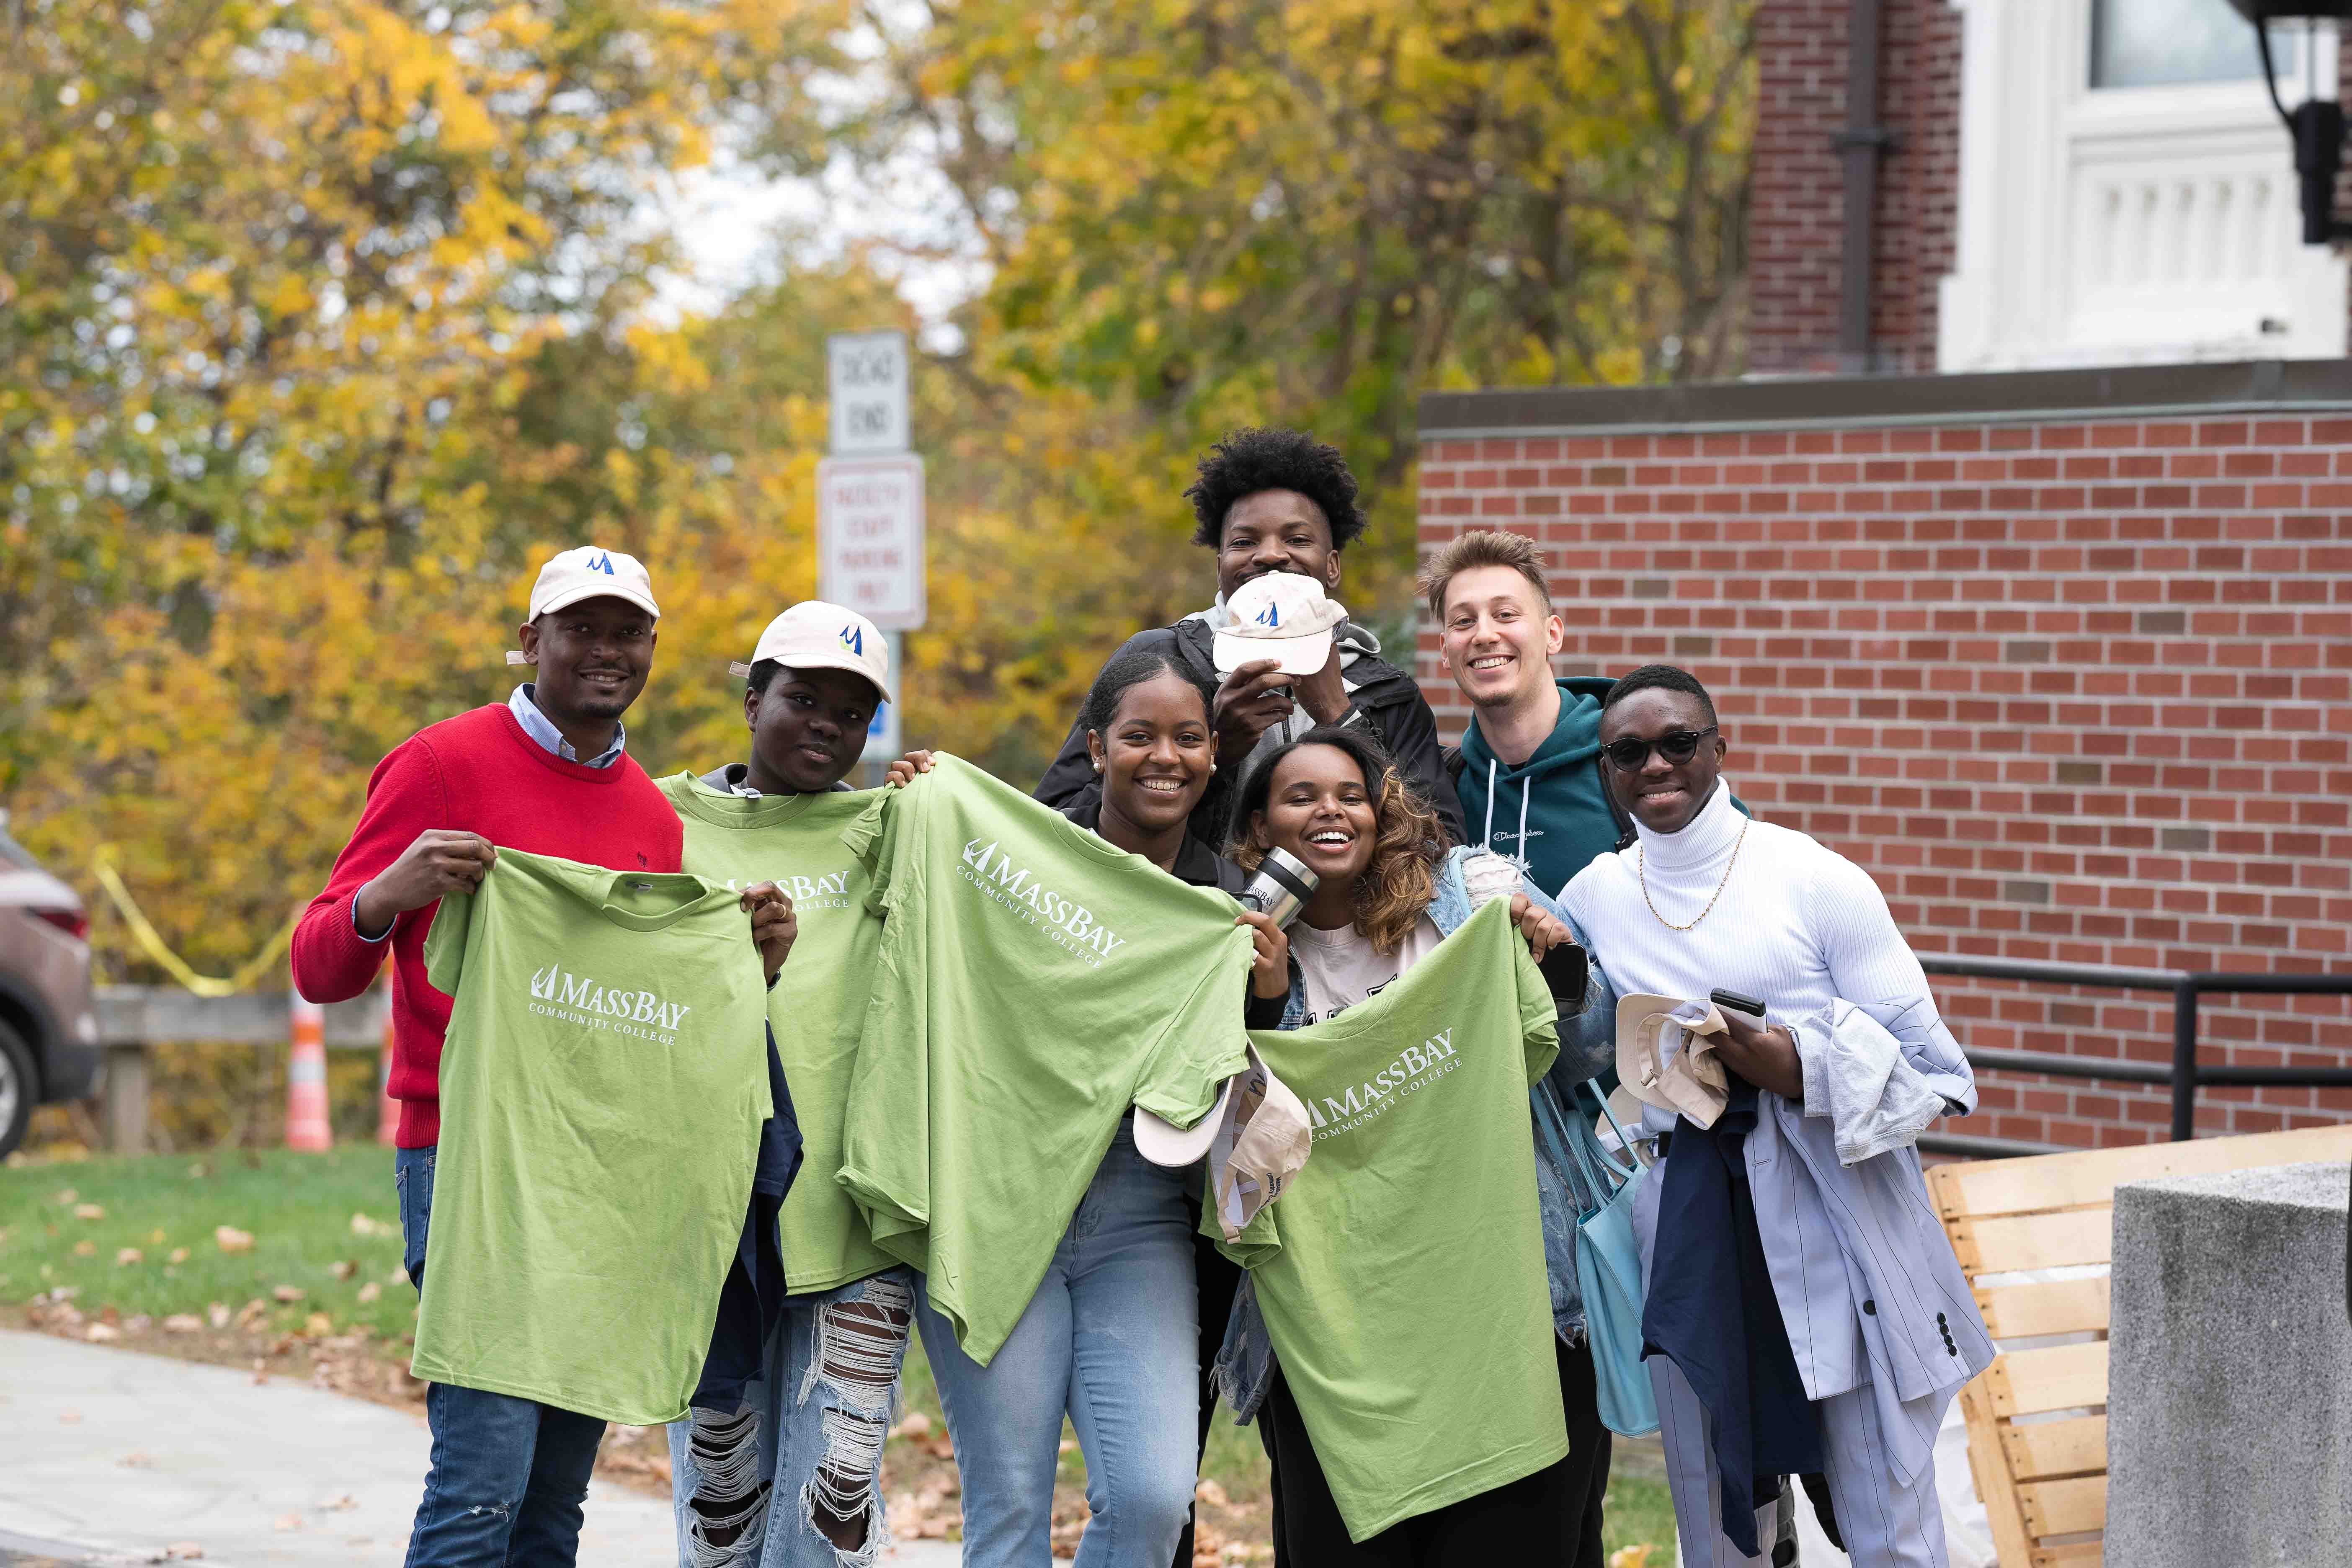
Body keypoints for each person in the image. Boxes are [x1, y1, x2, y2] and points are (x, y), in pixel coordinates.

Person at [289, 547, 793, 1568]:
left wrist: (753, 968)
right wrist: (390, 890)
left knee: (555, 1500)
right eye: (582, 629)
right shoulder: (438, 764)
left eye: (628, 632)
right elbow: (317, 962)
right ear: (532, 641)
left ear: (652, 648)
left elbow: (656, 1025)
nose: (607, 652)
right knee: (482, 1481)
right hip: (467, 1157)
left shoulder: (652, 815)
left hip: (601, 1181)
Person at [1559, 666, 1993, 1568]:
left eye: (1678, 742)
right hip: (1686, 1213)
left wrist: (1802, 1066)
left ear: (1720, 748)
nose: (1655, 765)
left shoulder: (1814, 879)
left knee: (1884, 1506)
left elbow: (1942, 1077)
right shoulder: (1595, 896)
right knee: (1718, 1517)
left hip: (1832, 1208)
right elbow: (1585, 1049)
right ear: (1606, 771)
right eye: (1628, 752)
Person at [913, 646, 1289, 1568]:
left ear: (1214, 758)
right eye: (1139, 736)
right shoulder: (1021, 859)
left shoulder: (1225, 904)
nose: (1164, 757)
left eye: (1189, 739)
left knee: (1156, 1500)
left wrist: (1269, 998)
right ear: (1095, 749)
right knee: (1011, 1507)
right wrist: (923, 804)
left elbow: (1245, 1085)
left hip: (1138, 1221)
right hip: (999, 1207)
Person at [1211, 727, 1618, 1567]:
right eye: (1301, 796)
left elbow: (1591, 1054)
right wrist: (1263, 1004)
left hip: (1505, 1311)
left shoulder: (1469, 898)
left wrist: (1555, 964)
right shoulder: (1227, 952)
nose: (1331, 809)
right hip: (1339, 1341)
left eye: (1349, 794)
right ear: (1259, 829)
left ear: (1379, 811)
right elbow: (1231, 1177)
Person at [653, 601, 939, 1568]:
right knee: (720, 1528)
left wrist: (937, 800)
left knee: (828, 1521)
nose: (826, 723)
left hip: (854, 1220)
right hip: (705, 1226)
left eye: (853, 711)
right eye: (803, 698)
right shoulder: (660, 819)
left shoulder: (898, 826)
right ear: (751, 700)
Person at [1037, 427, 1464, 849]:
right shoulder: (1157, 661)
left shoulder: (1387, 691)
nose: (1271, 554)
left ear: (1332, 566)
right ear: (1221, 565)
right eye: (1245, 542)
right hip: (1190, 909)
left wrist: (1342, 718)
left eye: (1297, 539)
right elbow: (1052, 821)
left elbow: (1441, 846)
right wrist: (1214, 754)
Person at [1418, 530, 1628, 895]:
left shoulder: (1634, 767)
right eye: (1464, 621)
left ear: (1553, 634)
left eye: (1505, 614)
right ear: (1444, 649)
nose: (1484, 635)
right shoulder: (1438, 793)